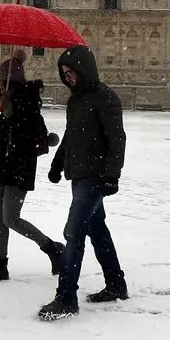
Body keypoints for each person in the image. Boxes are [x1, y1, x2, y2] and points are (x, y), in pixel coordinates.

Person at [38, 45, 127, 322]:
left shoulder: (105, 98)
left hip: (96, 177)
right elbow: (71, 136)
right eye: (64, 73)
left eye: (71, 72)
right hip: (79, 175)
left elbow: (117, 139)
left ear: (83, 69)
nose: (68, 77)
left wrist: (112, 175)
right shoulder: (75, 101)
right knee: (97, 230)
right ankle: (116, 284)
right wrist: (57, 164)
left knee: (73, 233)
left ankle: (66, 297)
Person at [0, 49, 65, 282]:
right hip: (0, 166)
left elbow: (38, 137)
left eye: (0, 78)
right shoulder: (5, 103)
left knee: (11, 218)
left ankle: (51, 247)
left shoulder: (26, 104)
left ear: (7, 80)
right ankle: (0, 264)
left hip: (18, 167)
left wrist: (16, 122)